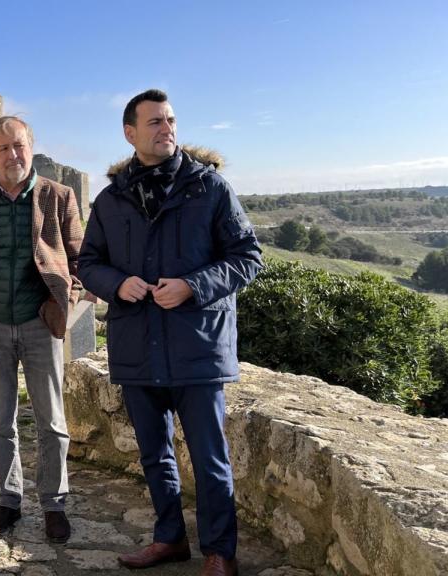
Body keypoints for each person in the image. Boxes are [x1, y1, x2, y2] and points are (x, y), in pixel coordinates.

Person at [77, 89, 262, 576]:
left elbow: (247, 258)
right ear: (130, 132)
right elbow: (89, 262)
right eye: (155, 122)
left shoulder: (210, 189)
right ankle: (169, 539)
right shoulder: (111, 199)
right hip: (137, 346)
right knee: (154, 454)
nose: (167, 129)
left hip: (197, 347)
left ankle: (220, 553)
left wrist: (191, 286)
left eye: (171, 120)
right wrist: (119, 284)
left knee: (210, 458)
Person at [0, 116, 83, 544]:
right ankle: (9, 499)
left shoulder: (58, 196)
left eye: (19, 145)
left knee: (53, 422)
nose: (13, 155)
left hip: (40, 326)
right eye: (3, 148)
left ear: (30, 146)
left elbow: (81, 263)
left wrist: (62, 306)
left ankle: (54, 504)